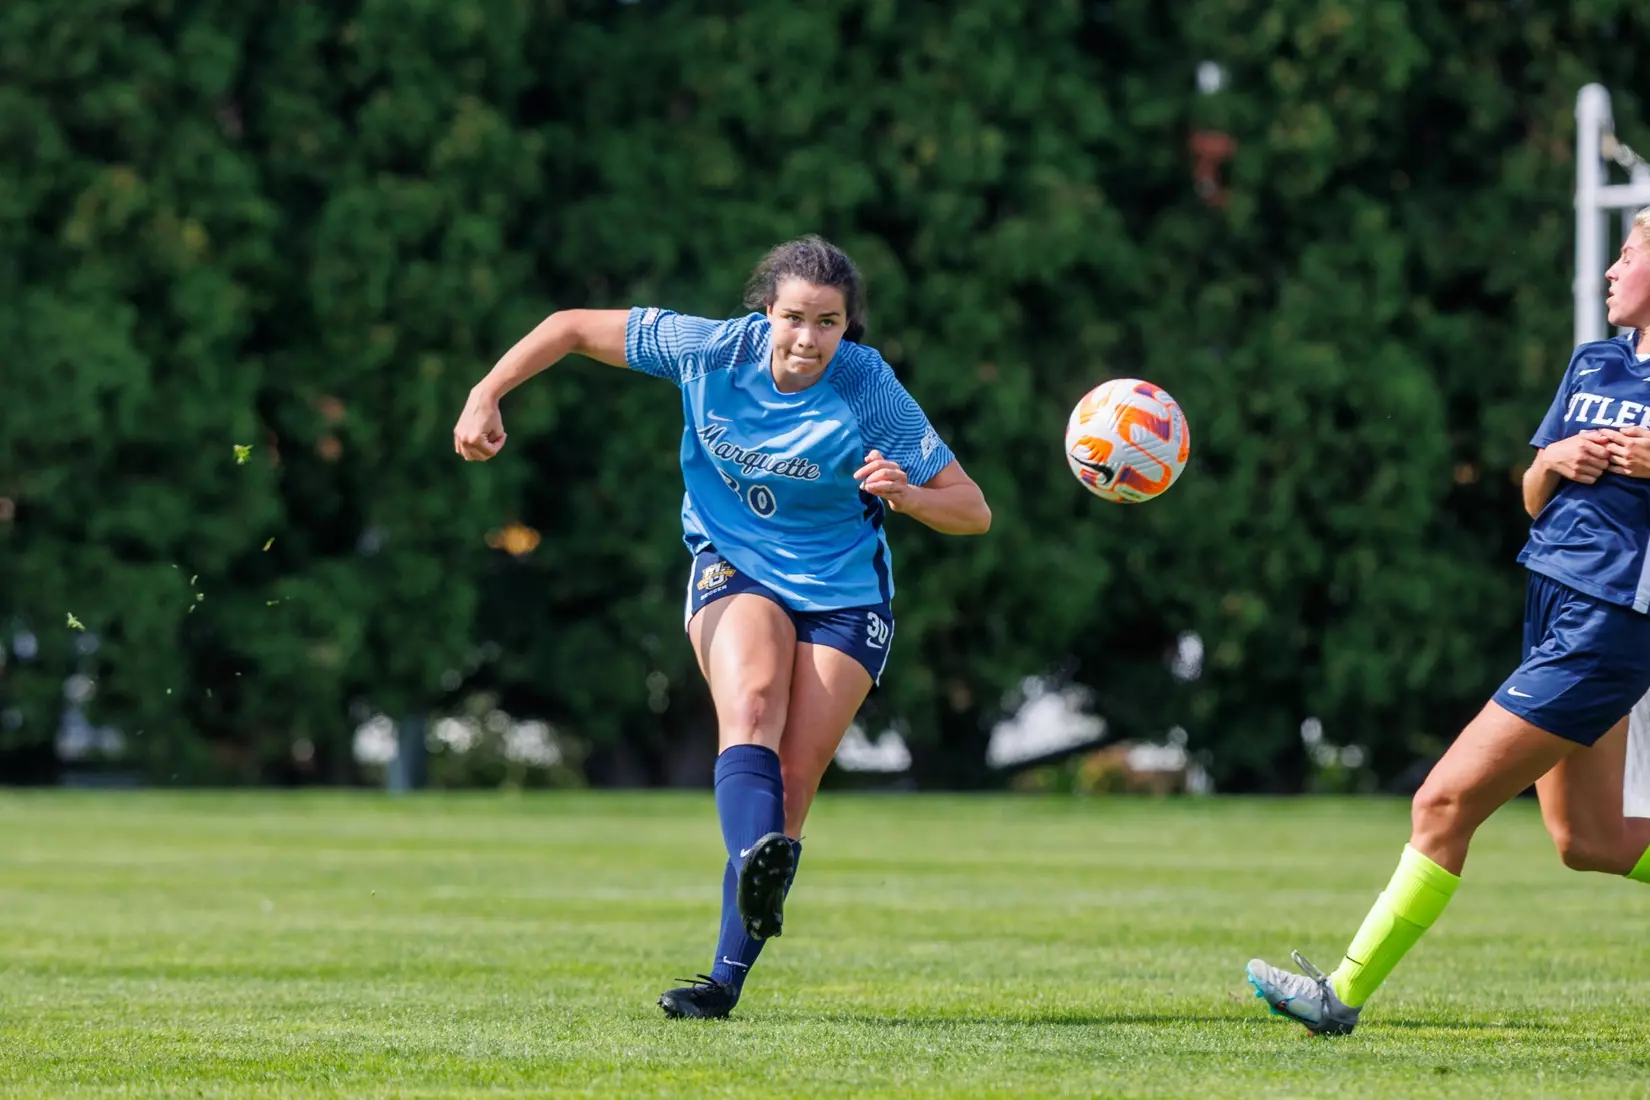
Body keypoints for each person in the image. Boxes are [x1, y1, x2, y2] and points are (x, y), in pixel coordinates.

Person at [452, 236, 991, 1019]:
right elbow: (568, 325)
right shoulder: (706, 350)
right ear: (764, 311)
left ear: (849, 327)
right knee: (752, 707)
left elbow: (971, 510)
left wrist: (908, 496)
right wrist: (485, 392)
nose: (808, 339)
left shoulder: (867, 387)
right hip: (733, 565)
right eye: (795, 318)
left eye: (829, 323)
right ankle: (751, 873)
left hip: (845, 595)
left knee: (793, 788)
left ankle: (724, 980)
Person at [1245, 208, 1650, 1035]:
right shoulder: (1595, 364)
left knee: (1442, 801)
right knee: (1590, 839)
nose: (1611, 269)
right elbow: (1534, 497)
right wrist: (1552, 462)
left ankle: (1340, 997)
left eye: (1630, 253)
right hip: (1551, 601)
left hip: (1611, 623)